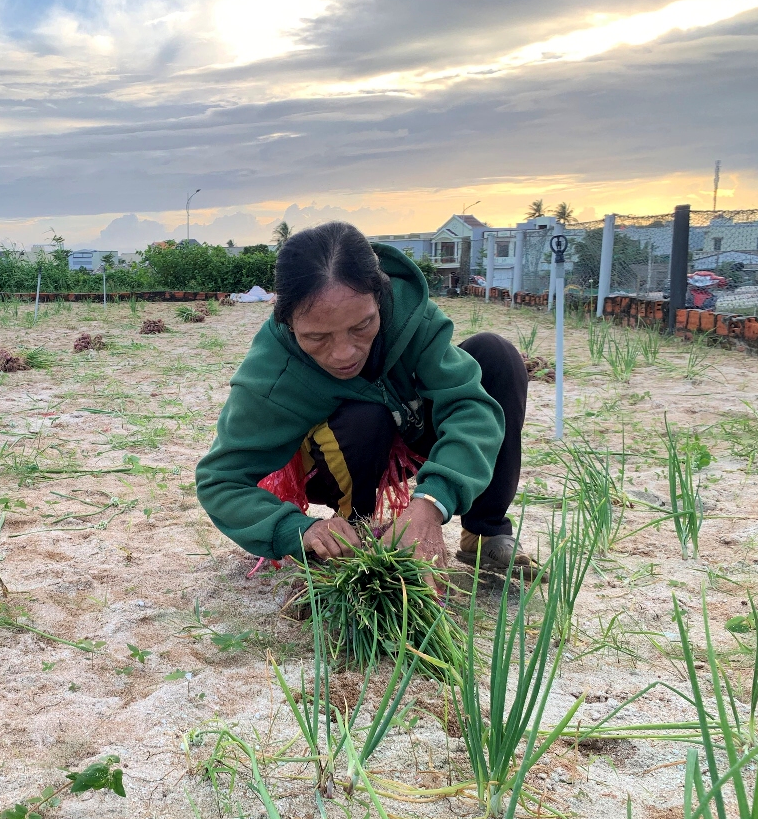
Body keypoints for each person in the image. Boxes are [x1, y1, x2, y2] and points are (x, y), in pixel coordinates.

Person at [195, 221, 533, 574]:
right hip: (333, 461)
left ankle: (485, 532)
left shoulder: (410, 316)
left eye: (362, 326)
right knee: (363, 414)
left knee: (496, 356)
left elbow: (470, 407)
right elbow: (220, 480)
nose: (344, 354)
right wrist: (298, 529)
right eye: (317, 337)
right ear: (288, 322)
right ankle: (352, 537)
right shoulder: (271, 371)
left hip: (412, 432)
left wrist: (431, 502)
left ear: (380, 296)